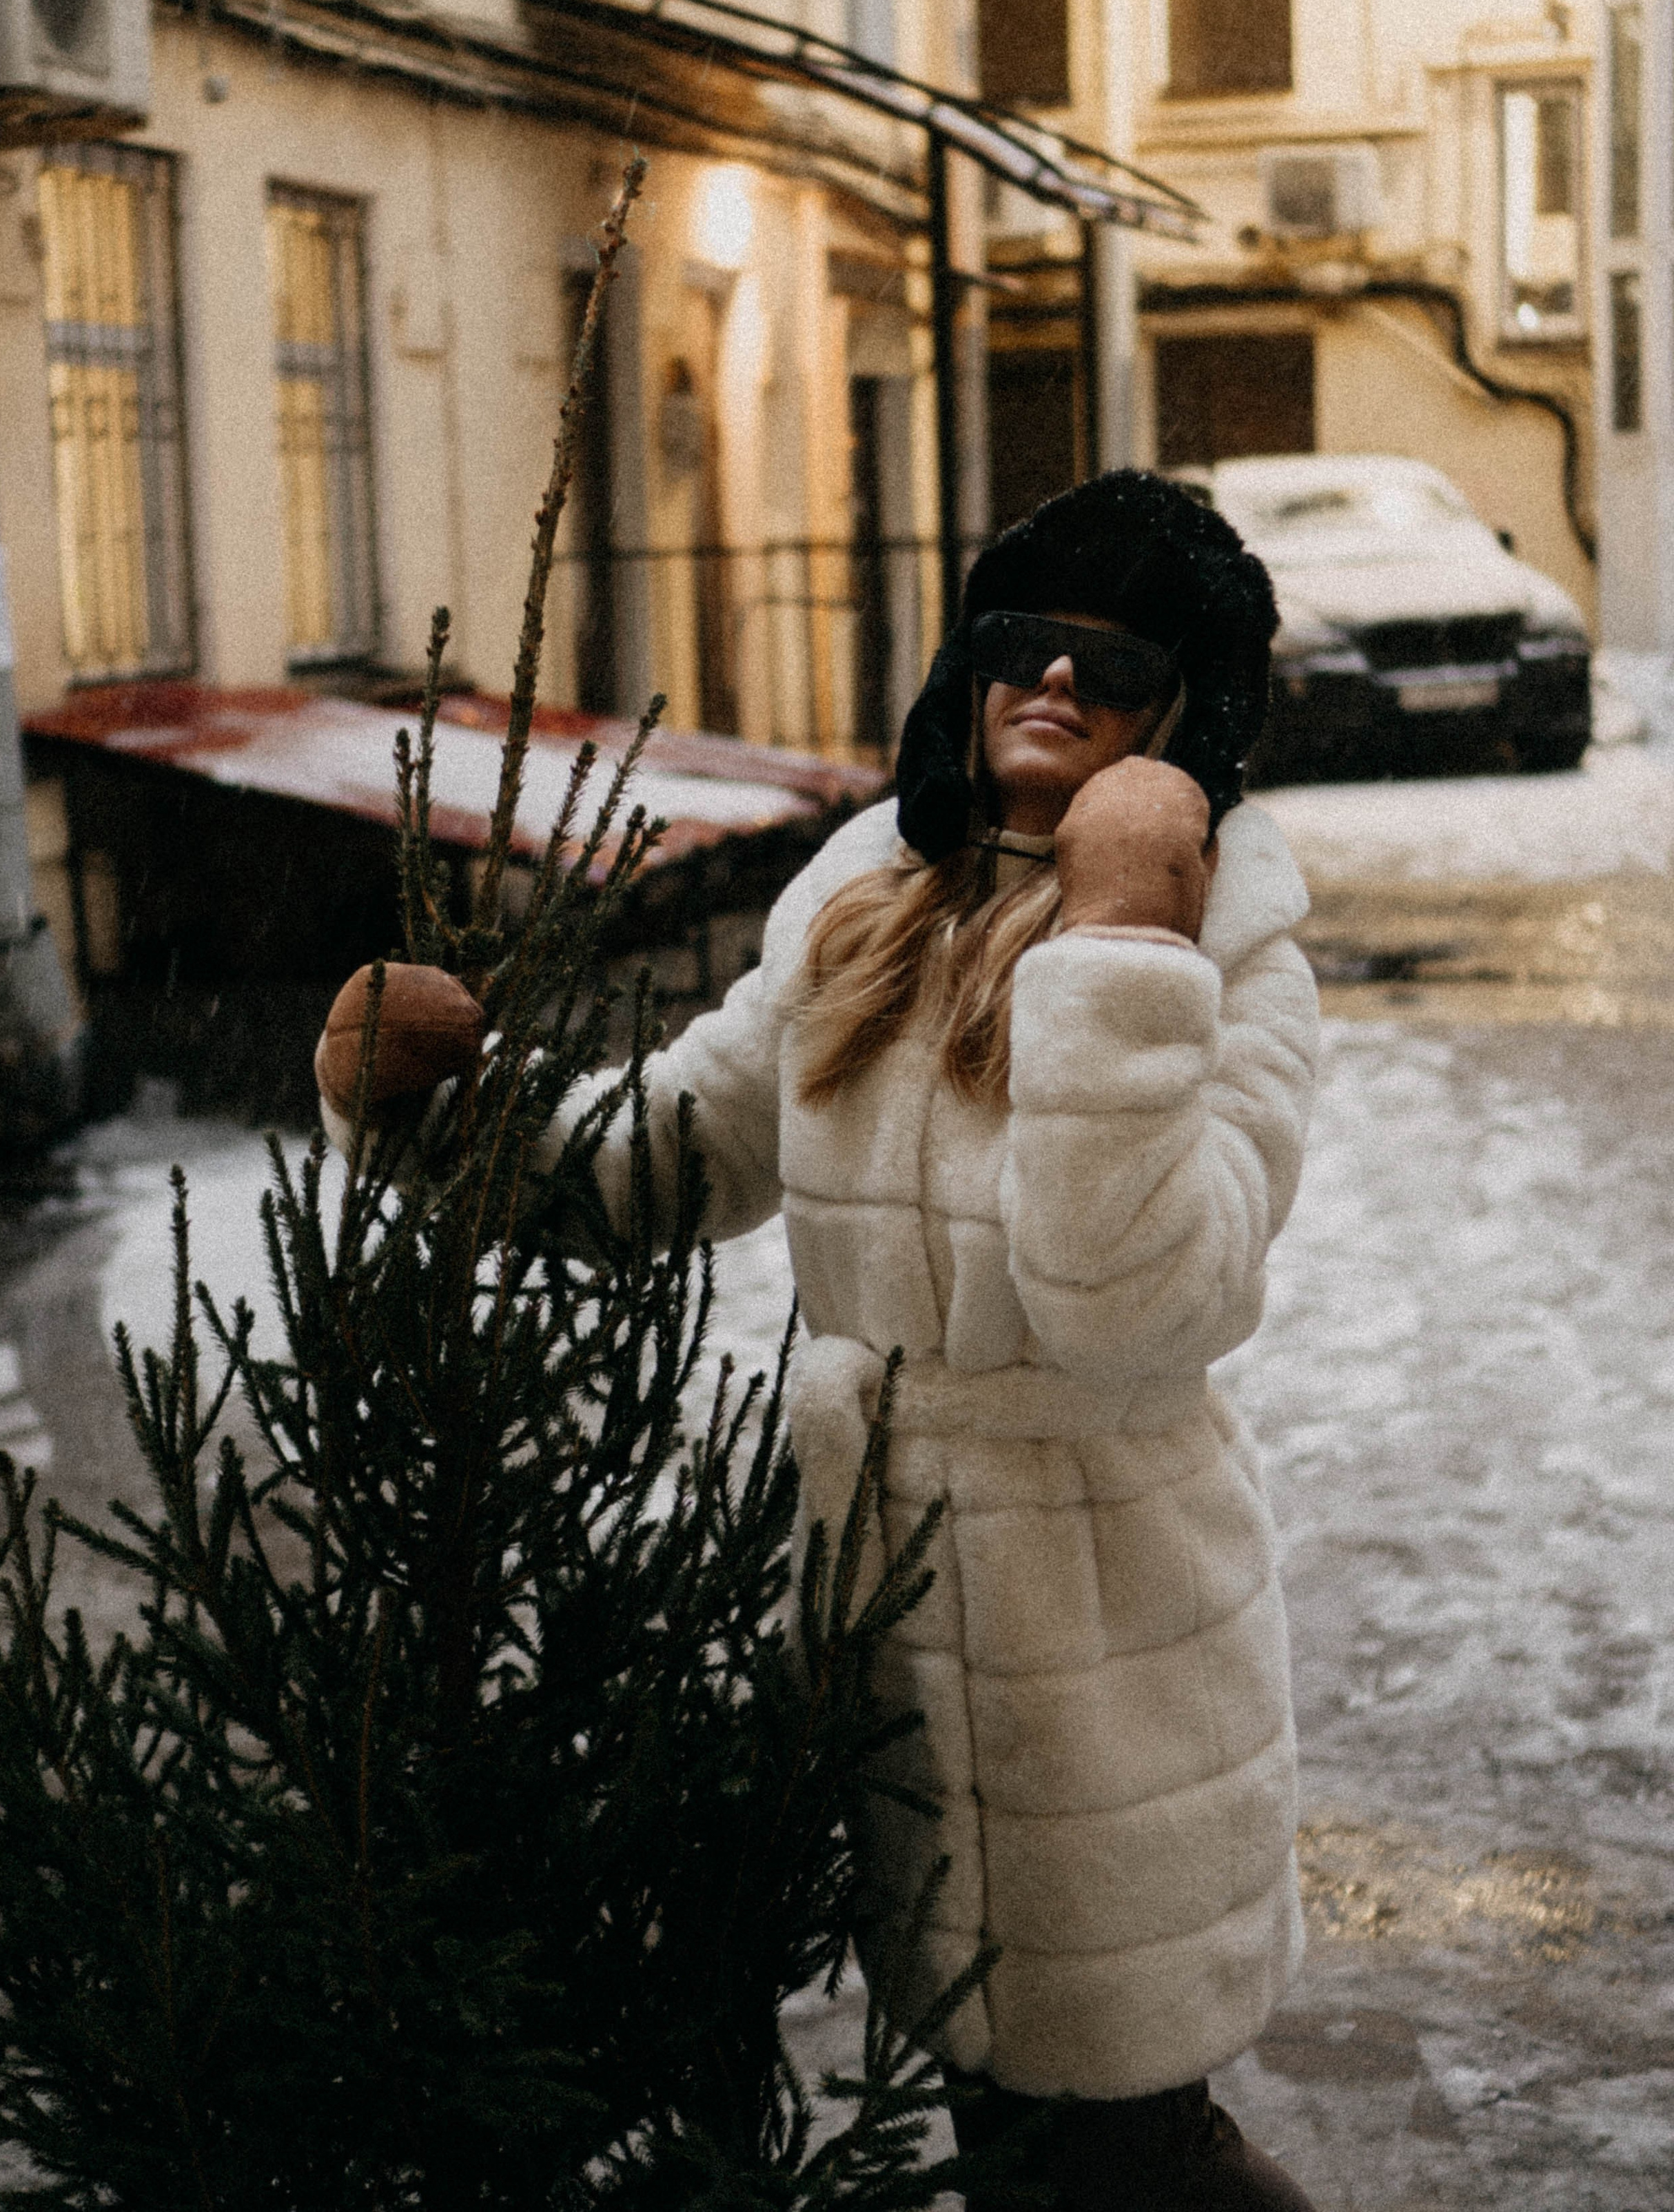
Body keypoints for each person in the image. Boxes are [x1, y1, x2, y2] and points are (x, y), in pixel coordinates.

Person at [316, 470, 1321, 2211]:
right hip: (872, 1595)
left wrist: (1119, 951)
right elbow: (663, 1160)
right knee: (985, 2116)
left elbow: (1134, 1297)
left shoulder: (1227, 961)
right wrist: (436, 1111)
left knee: (1131, 2146)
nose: (1055, 682)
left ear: (1186, 716)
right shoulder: (867, 900)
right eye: (1022, 639)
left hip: (1104, 1638)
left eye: (1111, 657)